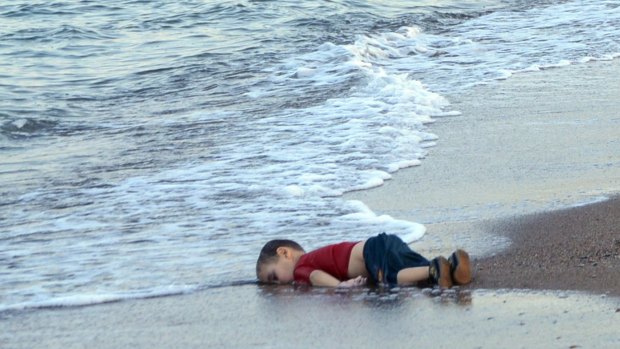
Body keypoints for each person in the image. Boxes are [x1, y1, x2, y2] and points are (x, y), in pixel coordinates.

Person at [256, 232, 472, 288]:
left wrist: (340, 285)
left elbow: (315, 276)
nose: (278, 283)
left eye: (273, 277)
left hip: (371, 251)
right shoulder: (315, 257)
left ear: (284, 253)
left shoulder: (301, 267)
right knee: (413, 269)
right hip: (383, 242)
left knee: (392, 278)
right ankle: (451, 266)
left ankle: (434, 269)